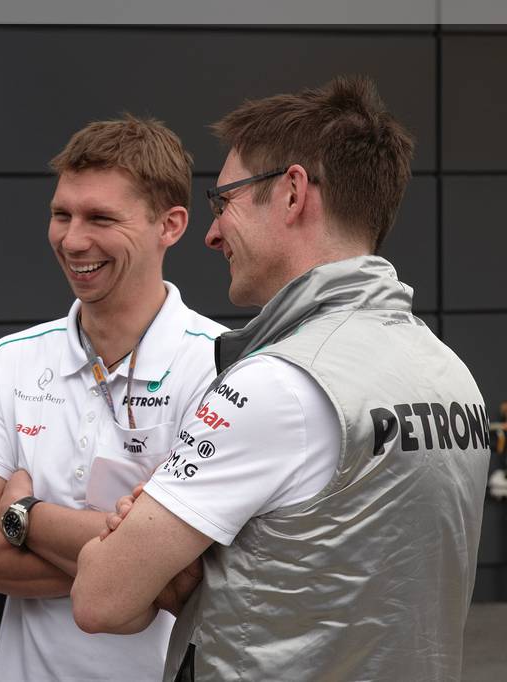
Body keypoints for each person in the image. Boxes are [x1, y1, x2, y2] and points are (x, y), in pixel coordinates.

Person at [72, 76, 491, 681]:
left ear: (293, 193)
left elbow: (100, 598)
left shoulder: (277, 384)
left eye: (224, 201)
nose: (212, 233)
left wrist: (46, 521)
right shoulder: (451, 374)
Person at [0, 115, 226, 681]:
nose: (73, 240)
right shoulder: (12, 358)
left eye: (100, 218)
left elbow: (198, 577)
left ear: (170, 225)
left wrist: (23, 516)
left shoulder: (225, 367)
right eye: (61, 214)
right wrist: (136, 569)